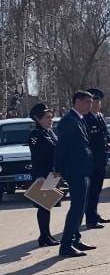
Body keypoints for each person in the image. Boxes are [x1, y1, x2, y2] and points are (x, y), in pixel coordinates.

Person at [54, 91, 97, 257]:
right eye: (87, 102)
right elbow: (61, 147)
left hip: (83, 169)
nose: (90, 106)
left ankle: (75, 239)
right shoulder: (68, 121)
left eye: (91, 102)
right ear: (77, 102)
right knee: (76, 207)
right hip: (75, 170)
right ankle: (66, 245)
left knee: (82, 207)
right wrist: (57, 169)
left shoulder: (79, 119)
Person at [28, 103, 60, 247]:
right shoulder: (36, 134)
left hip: (52, 174)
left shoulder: (50, 132)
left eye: (51, 117)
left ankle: (47, 235)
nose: (50, 120)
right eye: (47, 117)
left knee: (48, 206)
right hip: (42, 175)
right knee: (43, 206)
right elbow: (37, 157)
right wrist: (40, 176)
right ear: (38, 119)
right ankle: (44, 236)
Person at [83, 88, 110, 229]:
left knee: (97, 189)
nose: (96, 103)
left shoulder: (100, 116)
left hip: (101, 159)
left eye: (98, 101)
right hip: (91, 160)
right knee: (92, 190)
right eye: (93, 101)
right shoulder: (85, 119)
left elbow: (105, 134)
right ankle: (90, 218)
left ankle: (95, 214)